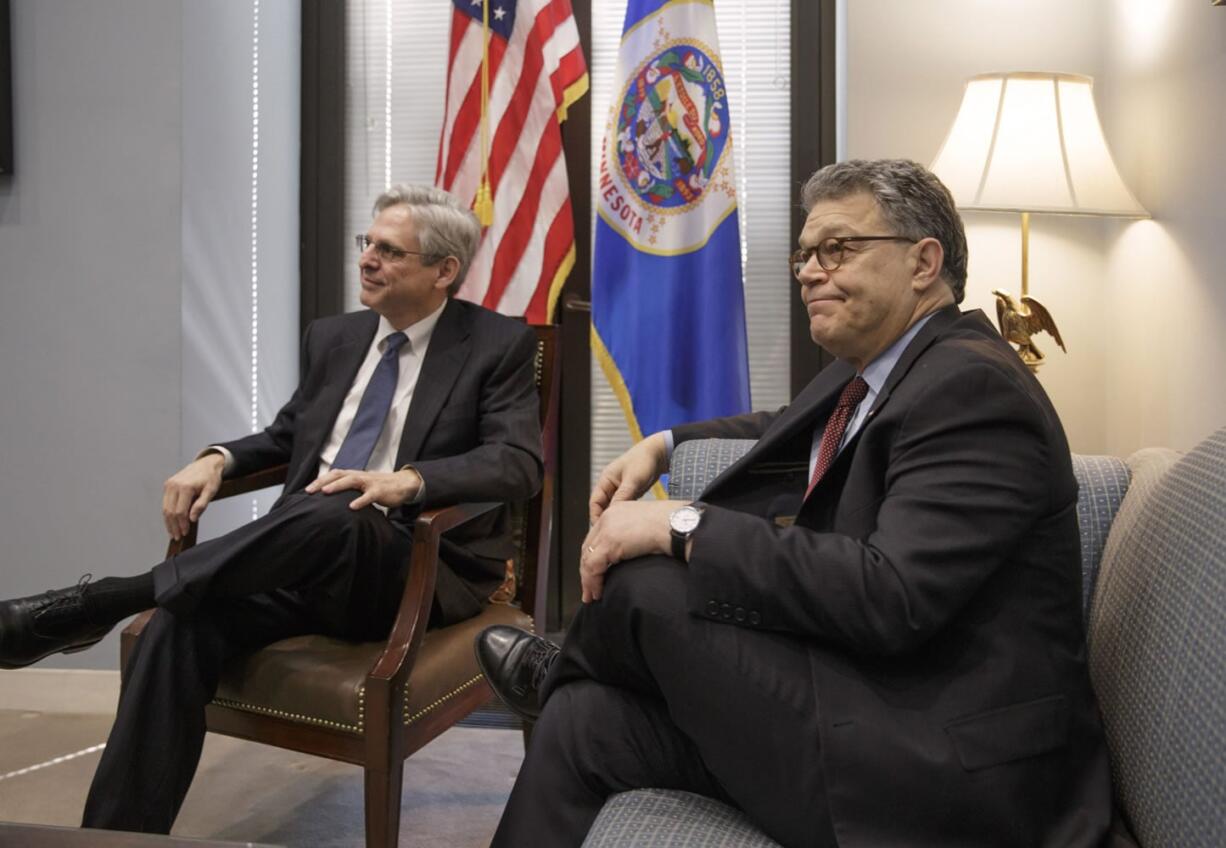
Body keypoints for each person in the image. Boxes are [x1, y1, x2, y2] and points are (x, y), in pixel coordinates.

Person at [477, 159, 1112, 847]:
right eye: (805, 254)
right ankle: (569, 677)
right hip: (863, 696)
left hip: (945, 765)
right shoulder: (879, 374)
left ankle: (559, 664)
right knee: (585, 722)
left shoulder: (975, 391)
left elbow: (891, 595)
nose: (810, 270)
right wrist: (663, 442)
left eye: (837, 249)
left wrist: (681, 522)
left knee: (646, 587)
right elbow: (782, 427)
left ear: (923, 262)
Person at [0, 184, 543, 833]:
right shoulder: (335, 338)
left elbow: (518, 464)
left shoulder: (496, 344)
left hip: (410, 570)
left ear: (443, 271)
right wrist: (217, 458)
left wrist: (410, 480)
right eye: (365, 243)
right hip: (307, 556)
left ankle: (104, 601)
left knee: (340, 504)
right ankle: (118, 839)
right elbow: (289, 440)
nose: (367, 259)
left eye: (390, 251)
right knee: (178, 625)